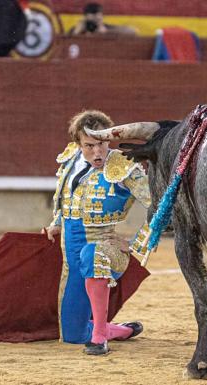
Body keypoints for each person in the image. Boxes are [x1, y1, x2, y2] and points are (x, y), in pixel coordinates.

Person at [43, 110, 151, 355]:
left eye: (101, 144)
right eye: (89, 146)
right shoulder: (70, 160)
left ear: (108, 140)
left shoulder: (123, 165)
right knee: (72, 335)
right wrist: (56, 223)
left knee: (93, 254)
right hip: (71, 255)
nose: (97, 152)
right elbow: (63, 197)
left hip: (107, 249)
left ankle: (100, 337)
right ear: (78, 143)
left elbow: (160, 205)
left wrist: (135, 244)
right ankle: (120, 330)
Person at [68, 2, 137, 37]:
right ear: (85, 18)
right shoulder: (79, 28)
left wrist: (107, 31)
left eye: (97, 19)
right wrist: (76, 32)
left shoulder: (106, 28)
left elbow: (133, 31)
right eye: (91, 20)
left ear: (102, 18)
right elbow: (63, 42)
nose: (93, 23)